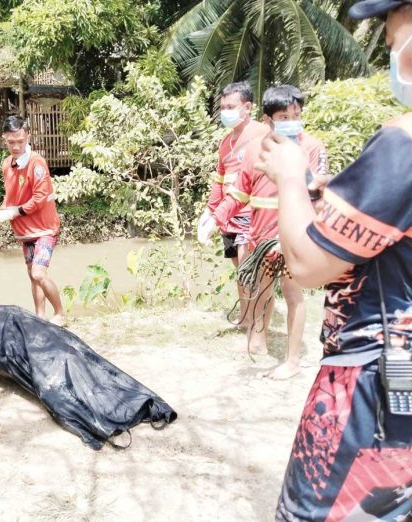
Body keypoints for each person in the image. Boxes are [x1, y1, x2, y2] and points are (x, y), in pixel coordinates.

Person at [258, 2, 412, 518]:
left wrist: (286, 176)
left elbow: (307, 264)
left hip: (378, 376)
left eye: (394, 46)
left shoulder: (404, 145)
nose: (394, 59)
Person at [208, 85, 329, 380]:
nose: (292, 120)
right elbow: (239, 193)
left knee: (292, 295)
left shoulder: (312, 148)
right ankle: (258, 341)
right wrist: (215, 217)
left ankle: (292, 360)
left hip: (294, 237)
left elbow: (318, 193)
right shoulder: (254, 150)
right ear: (268, 120)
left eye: (296, 114)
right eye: (284, 115)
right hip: (260, 237)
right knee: (260, 290)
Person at [0, 116, 66, 326]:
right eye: (10, 142)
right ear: (4, 140)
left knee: (38, 273)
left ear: (28, 137)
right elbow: (11, 197)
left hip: (45, 229)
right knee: (31, 275)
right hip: (25, 231)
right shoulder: (6, 164)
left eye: (20, 141)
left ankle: (60, 313)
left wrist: (13, 212)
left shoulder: (37, 163)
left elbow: (40, 198)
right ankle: (40, 316)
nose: (16, 146)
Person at [198, 81, 269, 326]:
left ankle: (256, 324)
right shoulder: (225, 142)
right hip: (228, 214)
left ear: (247, 107)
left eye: (231, 106)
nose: (225, 111)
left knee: (250, 266)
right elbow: (219, 178)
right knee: (239, 269)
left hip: (251, 212)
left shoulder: (261, 134)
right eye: (222, 106)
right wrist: (210, 210)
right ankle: (244, 318)